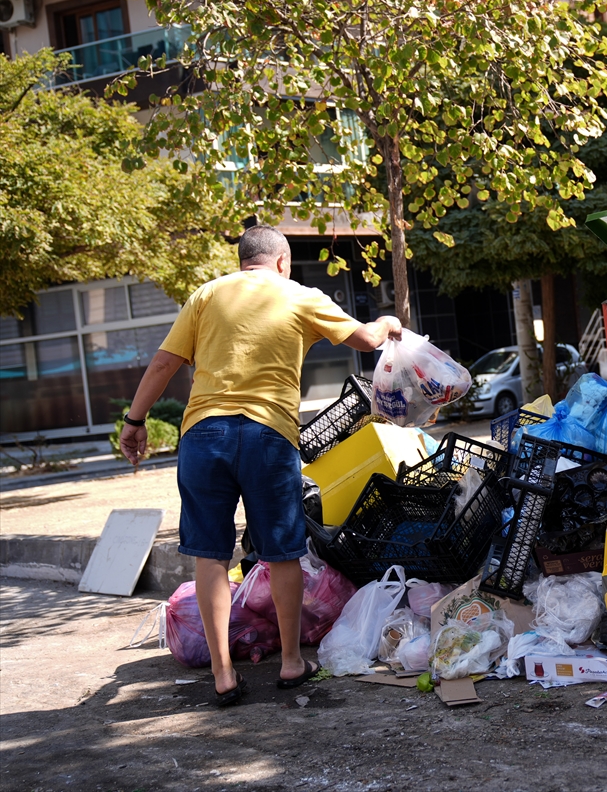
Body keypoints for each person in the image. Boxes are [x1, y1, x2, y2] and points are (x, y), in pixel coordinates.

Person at [119, 225, 402, 706]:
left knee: (210, 554)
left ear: (242, 261)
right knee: (282, 550)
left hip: (203, 434)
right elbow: (364, 340)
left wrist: (135, 420)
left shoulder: (207, 295)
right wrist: (388, 322)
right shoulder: (300, 295)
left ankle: (224, 675)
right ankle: (292, 663)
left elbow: (164, 363)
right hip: (268, 435)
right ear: (282, 261)